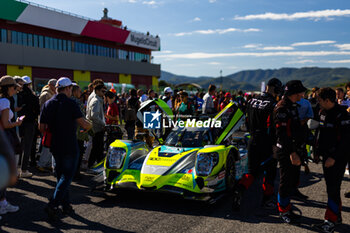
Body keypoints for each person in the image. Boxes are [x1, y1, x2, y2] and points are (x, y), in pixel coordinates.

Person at [40, 77, 91, 220]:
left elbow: (42, 128)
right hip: (69, 144)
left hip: (55, 144)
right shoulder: (71, 103)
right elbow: (83, 124)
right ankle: (53, 204)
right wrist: (90, 126)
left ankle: (66, 205)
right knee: (67, 176)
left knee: (61, 175)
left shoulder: (48, 103)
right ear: (68, 88)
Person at [233, 78, 283, 211]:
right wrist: (274, 145)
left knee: (251, 171)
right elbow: (272, 127)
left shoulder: (252, 100)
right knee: (270, 172)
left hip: (252, 139)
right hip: (266, 141)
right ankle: (267, 200)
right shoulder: (273, 104)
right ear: (275, 88)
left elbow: (246, 120)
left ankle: (240, 189)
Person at [312, 88, 350, 232]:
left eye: (320, 100)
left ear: (328, 100)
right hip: (325, 156)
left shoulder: (342, 115)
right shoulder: (321, 112)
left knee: (333, 188)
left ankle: (330, 221)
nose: (318, 103)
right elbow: (319, 133)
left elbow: (346, 141)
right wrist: (316, 152)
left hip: (337, 158)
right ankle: (336, 217)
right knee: (331, 188)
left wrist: (334, 157)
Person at [274, 80, 306, 224]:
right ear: (294, 93)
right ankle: (283, 211)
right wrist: (292, 152)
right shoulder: (282, 108)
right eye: (301, 91)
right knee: (285, 182)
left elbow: (294, 129)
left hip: (294, 148)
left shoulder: (291, 105)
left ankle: (286, 207)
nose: (303, 94)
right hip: (286, 150)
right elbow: (282, 134)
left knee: (291, 180)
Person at [0, 75, 23, 218]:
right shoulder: (5, 101)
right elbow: (5, 124)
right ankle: (2, 203)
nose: (15, 90)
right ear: (9, 88)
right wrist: (17, 123)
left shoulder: (2, 100)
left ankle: (3, 203)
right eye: (14, 87)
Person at [17, 76, 40, 178]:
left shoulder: (18, 95)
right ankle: (24, 169)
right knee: (27, 146)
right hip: (30, 123)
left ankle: (16, 169)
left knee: (18, 145)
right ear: (30, 84)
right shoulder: (33, 96)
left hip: (18, 122)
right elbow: (38, 111)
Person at [37, 79, 57, 172]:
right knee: (46, 145)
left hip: (49, 123)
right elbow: (43, 111)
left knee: (49, 144)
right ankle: (41, 163)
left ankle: (47, 163)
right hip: (47, 123)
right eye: (54, 85)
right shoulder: (46, 94)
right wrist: (43, 123)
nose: (56, 87)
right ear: (50, 85)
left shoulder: (51, 94)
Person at [86, 83, 107, 168]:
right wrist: (103, 124)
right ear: (97, 91)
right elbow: (94, 116)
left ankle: (97, 165)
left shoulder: (98, 99)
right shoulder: (96, 100)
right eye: (102, 91)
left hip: (97, 127)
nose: (104, 93)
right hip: (97, 128)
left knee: (98, 149)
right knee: (96, 148)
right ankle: (91, 165)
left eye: (104, 91)